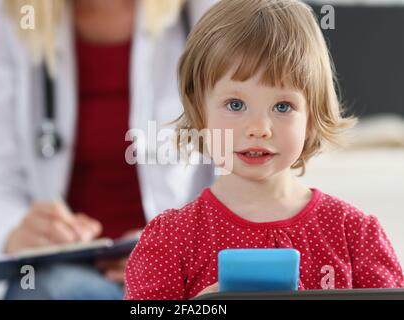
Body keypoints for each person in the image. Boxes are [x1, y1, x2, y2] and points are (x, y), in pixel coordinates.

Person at [124, 0, 404, 300]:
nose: (259, 128)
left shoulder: (354, 233)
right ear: (199, 111)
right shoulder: (171, 238)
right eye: (235, 105)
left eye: (282, 106)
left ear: (311, 116)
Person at [0, 0, 216, 299]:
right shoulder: (6, 15)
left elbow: (245, 173)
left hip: (180, 274)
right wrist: (18, 231)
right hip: (59, 274)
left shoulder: (206, 12)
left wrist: (173, 246)